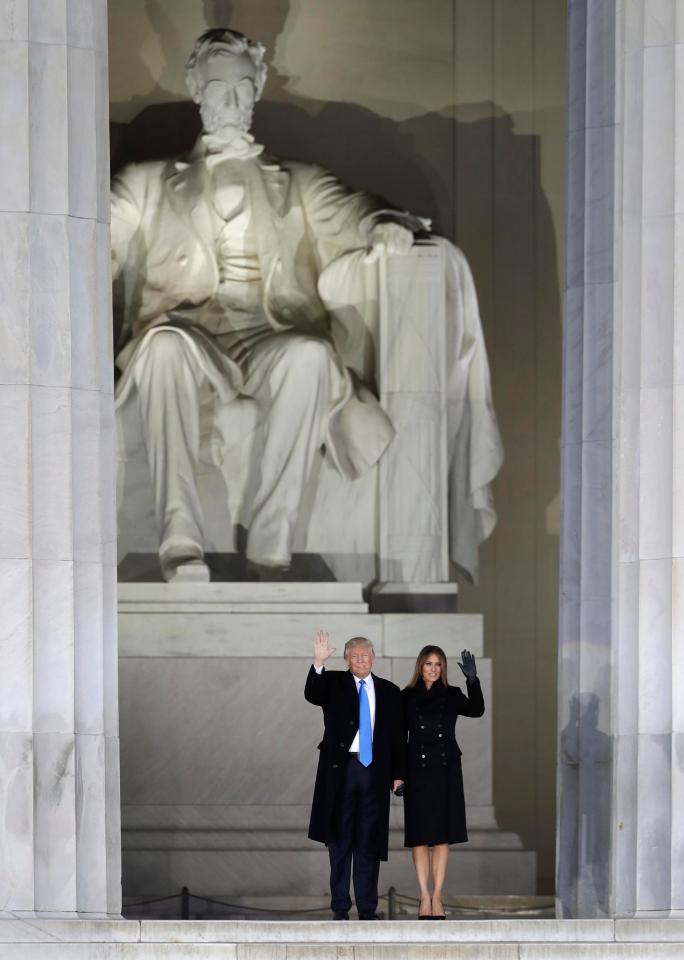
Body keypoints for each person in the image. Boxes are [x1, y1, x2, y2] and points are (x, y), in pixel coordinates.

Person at [110, 28, 422, 582]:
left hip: (266, 336)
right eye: (217, 89)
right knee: (158, 350)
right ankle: (180, 541)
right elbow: (93, 230)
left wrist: (383, 224)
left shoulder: (297, 183)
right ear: (195, 90)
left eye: (240, 90)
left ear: (256, 91)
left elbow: (353, 210)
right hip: (185, 332)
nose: (229, 103)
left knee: (310, 357)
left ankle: (270, 548)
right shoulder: (147, 183)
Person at [305, 630, 405, 920]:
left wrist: (398, 774)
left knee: (368, 841)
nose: (360, 659)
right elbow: (313, 693)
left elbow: (399, 736)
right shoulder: (333, 683)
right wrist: (318, 661)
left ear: (373, 658)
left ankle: (368, 908)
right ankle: (339, 907)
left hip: (375, 772)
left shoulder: (389, 691)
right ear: (347, 659)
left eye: (365, 655)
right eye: (354, 656)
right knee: (339, 840)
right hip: (342, 772)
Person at [401, 645, 484, 919]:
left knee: (441, 837)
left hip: (446, 769)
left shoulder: (452, 695)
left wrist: (472, 680)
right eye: (428, 663)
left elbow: (477, 710)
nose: (433, 669)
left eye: (438, 664)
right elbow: (398, 740)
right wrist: (397, 775)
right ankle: (423, 897)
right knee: (420, 838)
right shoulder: (406, 696)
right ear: (420, 666)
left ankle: (437, 896)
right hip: (417, 771)